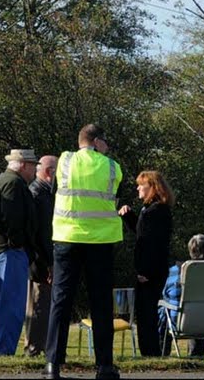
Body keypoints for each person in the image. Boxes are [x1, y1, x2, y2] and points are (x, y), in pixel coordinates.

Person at [44, 124, 123, 380]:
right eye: (105, 142)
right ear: (97, 141)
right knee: (100, 304)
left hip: (67, 238)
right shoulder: (112, 167)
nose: (107, 147)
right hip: (101, 241)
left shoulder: (65, 161)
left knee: (61, 301)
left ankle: (52, 364)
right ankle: (104, 366)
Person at [0, 148, 39, 355]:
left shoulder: (2, 181)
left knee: (2, 305)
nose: (35, 170)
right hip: (9, 252)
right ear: (24, 165)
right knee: (12, 307)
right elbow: (13, 219)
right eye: (33, 165)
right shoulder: (13, 184)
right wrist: (19, 244)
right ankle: (3, 351)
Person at [117, 170, 174, 356]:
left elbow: (152, 244)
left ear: (153, 188)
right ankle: (150, 351)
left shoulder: (156, 211)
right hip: (153, 268)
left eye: (142, 185)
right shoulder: (151, 209)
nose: (138, 188)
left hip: (151, 269)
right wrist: (129, 217)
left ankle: (150, 352)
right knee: (145, 311)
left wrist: (145, 270)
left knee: (146, 313)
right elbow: (142, 232)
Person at [159, 233, 204, 357]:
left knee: (163, 309)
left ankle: (163, 354)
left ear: (191, 250)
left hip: (183, 322)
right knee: (202, 310)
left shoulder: (178, 270)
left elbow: (168, 294)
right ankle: (196, 354)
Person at [24, 155, 57, 357]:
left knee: (40, 304)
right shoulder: (40, 195)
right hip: (40, 261)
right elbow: (44, 233)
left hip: (37, 258)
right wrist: (50, 263)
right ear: (50, 171)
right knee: (39, 304)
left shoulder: (38, 193)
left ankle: (37, 346)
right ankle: (34, 348)